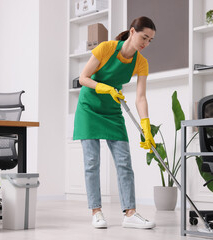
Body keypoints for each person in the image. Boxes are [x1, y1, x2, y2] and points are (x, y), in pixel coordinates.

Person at [73, 16, 156, 229]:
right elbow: (82, 78)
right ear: (132, 31)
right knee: (92, 162)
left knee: (124, 163)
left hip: (112, 110)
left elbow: (140, 97)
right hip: (89, 108)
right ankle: (96, 212)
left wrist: (146, 126)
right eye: (144, 37)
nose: (146, 44)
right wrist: (103, 87)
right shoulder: (106, 48)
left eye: (150, 41)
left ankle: (130, 213)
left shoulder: (141, 62)